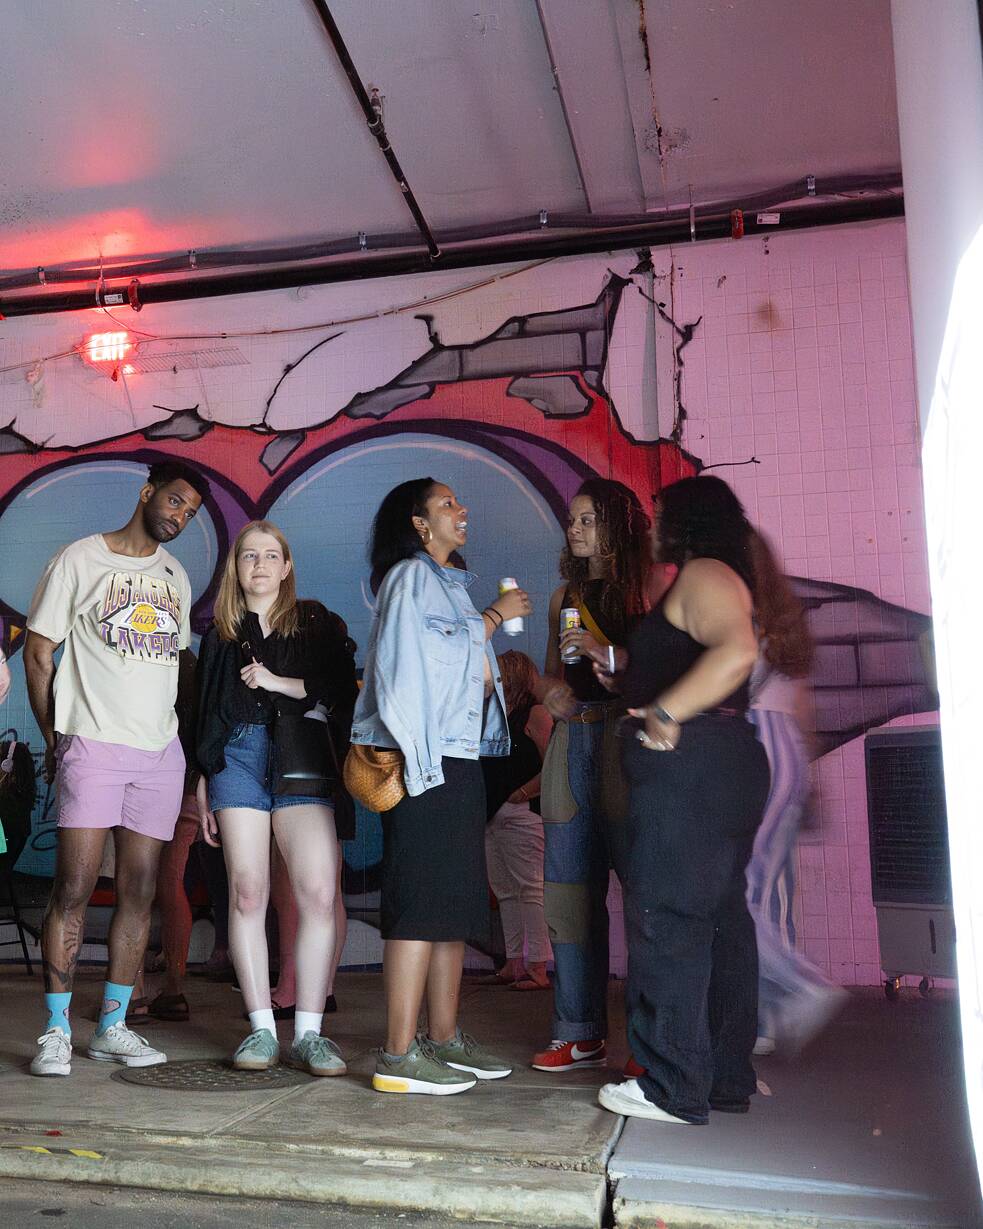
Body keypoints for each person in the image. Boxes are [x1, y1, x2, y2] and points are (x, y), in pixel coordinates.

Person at [592, 474, 770, 1124]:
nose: (652, 521)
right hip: (719, 769)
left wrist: (665, 710)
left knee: (670, 920)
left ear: (688, 520)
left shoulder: (703, 574)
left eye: (659, 511)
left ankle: (670, 1084)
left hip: (691, 770)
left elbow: (737, 649)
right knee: (720, 920)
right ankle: (722, 1077)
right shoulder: (716, 575)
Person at [23, 460, 208, 1076]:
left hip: (159, 754)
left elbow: (179, 660)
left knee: (139, 892)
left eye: (191, 511)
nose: (180, 516)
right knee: (73, 888)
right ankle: (55, 1030)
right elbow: (41, 650)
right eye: (176, 501)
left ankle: (112, 1026)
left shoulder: (175, 575)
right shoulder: (79, 559)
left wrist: (178, 734)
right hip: (93, 744)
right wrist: (55, 735)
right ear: (147, 491)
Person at [351, 477, 530, 1095]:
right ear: (420, 524)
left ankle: (445, 1038)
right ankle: (398, 1054)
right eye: (449, 503)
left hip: (459, 756)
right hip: (424, 760)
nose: (463, 509)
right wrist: (488, 621)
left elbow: (453, 670)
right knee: (418, 905)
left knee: (452, 906)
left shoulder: (450, 584)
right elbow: (403, 670)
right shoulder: (410, 579)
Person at [195, 520, 356, 1076]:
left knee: (315, 891)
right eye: (248, 556)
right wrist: (202, 781)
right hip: (235, 759)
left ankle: (310, 1032)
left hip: (300, 759)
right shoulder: (220, 632)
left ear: (287, 567)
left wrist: (276, 683)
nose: (259, 565)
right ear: (234, 568)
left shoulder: (313, 622)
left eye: (271, 556)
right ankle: (261, 1029)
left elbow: (338, 692)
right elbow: (207, 713)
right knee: (247, 892)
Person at [530, 478, 651, 1073]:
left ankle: (654, 1043)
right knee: (568, 889)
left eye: (587, 520)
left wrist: (611, 657)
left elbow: (661, 670)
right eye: (572, 520)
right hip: (573, 737)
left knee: (644, 891)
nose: (574, 529)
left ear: (617, 526)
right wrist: (550, 693)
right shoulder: (563, 597)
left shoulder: (647, 591)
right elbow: (553, 676)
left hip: (628, 738)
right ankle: (578, 1031)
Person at [745, 530, 845, 1054]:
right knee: (762, 893)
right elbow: (804, 707)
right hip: (787, 751)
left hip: (755, 746)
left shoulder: (743, 617)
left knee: (740, 895)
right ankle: (763, 1015)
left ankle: (802, 987)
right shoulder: (787, 621)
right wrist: (811, 781)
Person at [481, 650, 552, 991]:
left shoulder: (534, 713)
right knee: (507, 891)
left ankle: (538, 966)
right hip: (494, 813)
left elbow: (551, 764)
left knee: (530, 888)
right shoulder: (495, 714)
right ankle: (514, 963)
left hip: (520, 811)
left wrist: (522, 793)